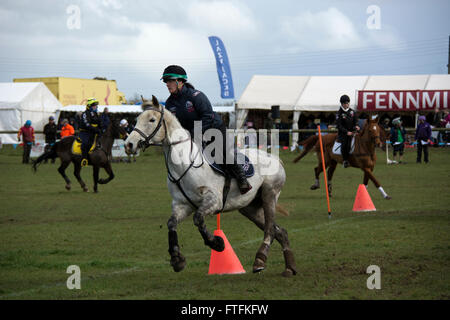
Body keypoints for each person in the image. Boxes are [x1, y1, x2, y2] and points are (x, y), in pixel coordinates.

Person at [162, 65, 251, 194]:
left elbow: (207, 116)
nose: (167, 84)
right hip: (192, 134)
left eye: (170, 81)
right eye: (166, 82)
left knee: (220, 154)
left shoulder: (196, 96)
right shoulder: (169, 103)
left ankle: (242, 179)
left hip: (213, 129)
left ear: (180, 81)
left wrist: (195, 132)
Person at [335, 94, 360, 168]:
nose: (347, 104)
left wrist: (357, 126)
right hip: (343, 133)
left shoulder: (352, 112)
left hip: (353, 131)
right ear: (342, 104)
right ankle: (345, 160)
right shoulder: (338, 113)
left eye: (348, 103)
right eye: (345, 103)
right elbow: (339, 126)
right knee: (346, 144)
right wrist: (346, 132)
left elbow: (356, 121)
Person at [78, 98, 101, 167]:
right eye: (94, 105)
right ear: (89, 106)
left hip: (93, 132)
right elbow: (86, 124)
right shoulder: (85, 113)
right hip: (85, 132)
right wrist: (95, 129)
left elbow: (99, 122)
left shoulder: (95, 113)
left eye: (96, 105)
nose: (96, 107)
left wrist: (101, 128)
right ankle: (84, 159)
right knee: (86, 143)